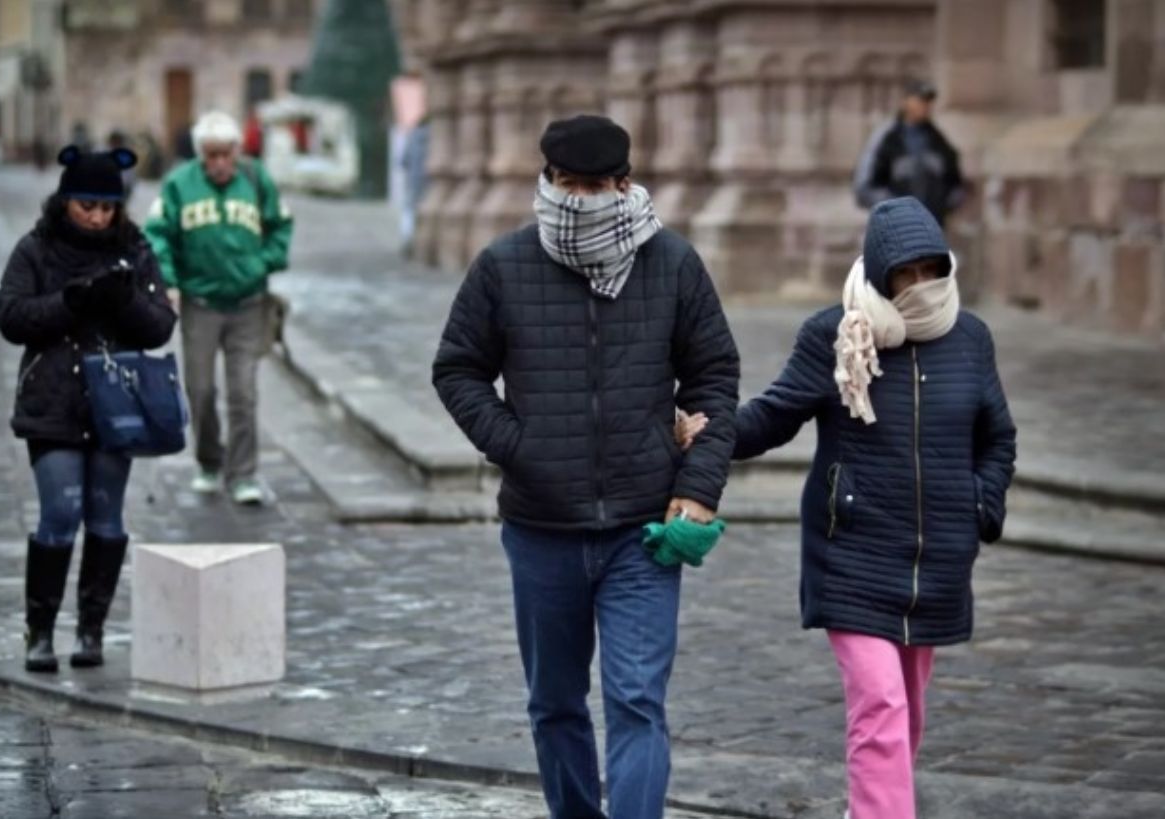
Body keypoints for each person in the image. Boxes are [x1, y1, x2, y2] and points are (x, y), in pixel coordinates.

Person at [432, 114, 740, 819]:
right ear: (546, 181)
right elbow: (458, 369)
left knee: (637, 699)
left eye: (596, 186)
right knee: (555, 703)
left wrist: (699, 485)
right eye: (568, 184)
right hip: (541, 527)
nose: (581, 200)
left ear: (623, 186)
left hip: (643, 530)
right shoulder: (503, 266)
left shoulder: (673, 264)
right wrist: (519, 445)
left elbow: (714, 378)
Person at [678, 196, 1016, 819]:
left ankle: (873, 805)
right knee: (881, 704)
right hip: (853, 553)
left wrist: (979, 506)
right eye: (906, 273)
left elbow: (997, 438)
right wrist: (708, 433)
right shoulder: (835, 334)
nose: (920, 285)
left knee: (906, 712)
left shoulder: (969, 339)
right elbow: (774, 416)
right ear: (882, 272)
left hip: (937, 561)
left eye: (931, 270)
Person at [0, 145, 177, 673]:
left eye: (107, 207)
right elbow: (10, 315)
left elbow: (161, 325)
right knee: (60, 511)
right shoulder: (37, 249)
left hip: (116, 405)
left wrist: (123, 300)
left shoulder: (134, 250)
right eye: (87, 206)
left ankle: (91, 631)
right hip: (53, 400)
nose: (97, 217)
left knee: (105, 516)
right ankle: (40, 632)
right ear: (66, 201)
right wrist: (69, 301)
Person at [144, 111, 293, 505]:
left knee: (243, 392)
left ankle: (243, 473)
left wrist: (263, 263)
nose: (221, 163)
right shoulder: (179, 184)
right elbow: (157, 234)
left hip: (248, 304)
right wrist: (169, 281)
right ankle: (209, 461)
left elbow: (281, 225)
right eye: (212, 155)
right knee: (201, 390)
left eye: (227, 154)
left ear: (237, 151)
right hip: (201, 304)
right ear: (200, 155)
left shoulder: (256, 179)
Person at [853, 79, 965, 227]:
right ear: (906, 101)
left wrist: (943, 206)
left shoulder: (938, 141)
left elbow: (955, 184)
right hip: (896, 230)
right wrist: (896, 209)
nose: (925, 105)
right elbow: (864, 188)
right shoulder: (886, 139)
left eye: (928, 101)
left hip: (931, 229)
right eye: (920, 99)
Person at [398, 116, 429, 258]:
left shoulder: (413, 136)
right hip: (431, 183)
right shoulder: (436, 137)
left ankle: (408, 240)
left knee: (409, 212)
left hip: (413, 181)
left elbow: (403, 161)